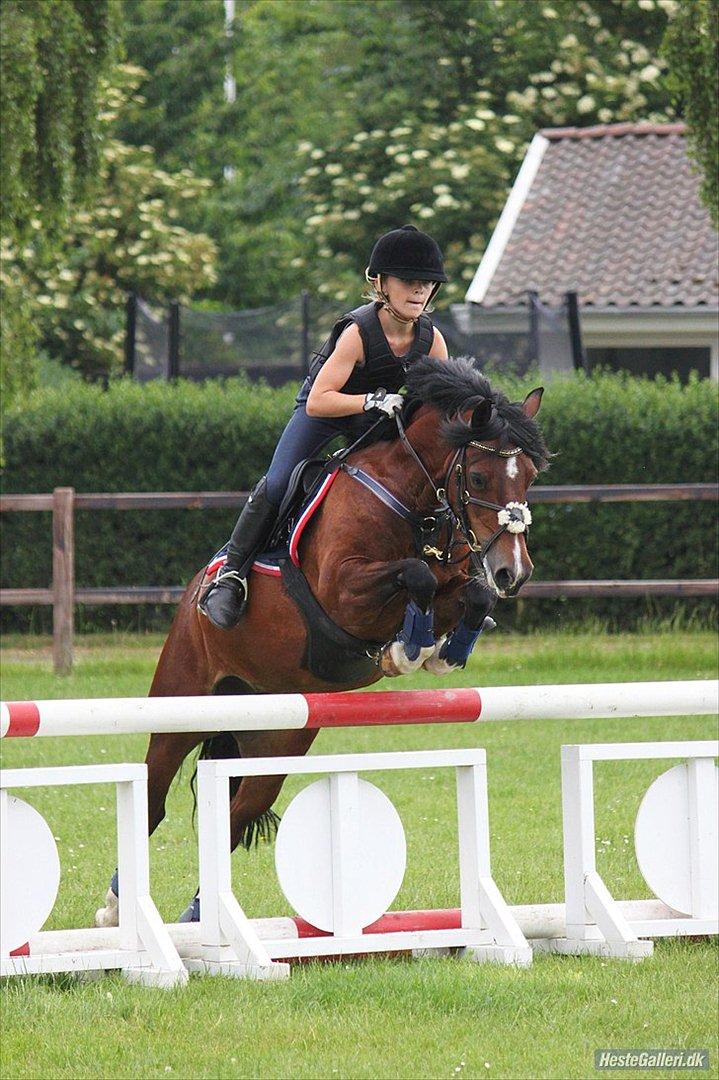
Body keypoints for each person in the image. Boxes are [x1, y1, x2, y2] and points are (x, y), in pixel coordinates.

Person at [199, 224, 450, 630]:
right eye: (409, 281)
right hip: (326, 412)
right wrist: (371, 400)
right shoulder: (357, 333)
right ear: (380, 283)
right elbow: (320, 399)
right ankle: (231, 574)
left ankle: (450, 578)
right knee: (280, 482)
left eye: (427, 283)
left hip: (379, 418)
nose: (419, 290)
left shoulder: (433, 341)